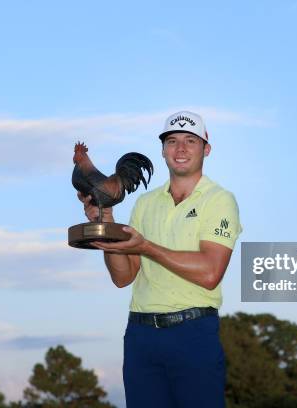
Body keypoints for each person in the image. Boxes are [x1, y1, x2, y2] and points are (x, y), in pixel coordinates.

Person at [79, 111, 242, 408]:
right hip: (141, 336)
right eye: (172, 141)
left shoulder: (219, 200)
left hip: (193, 333)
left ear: (206, 149)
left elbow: (210, 272)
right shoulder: (145, 202)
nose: (180, 149)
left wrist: (148, 247)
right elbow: (123, 277)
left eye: (190, 141)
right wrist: (108, 224)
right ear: (163, 150)